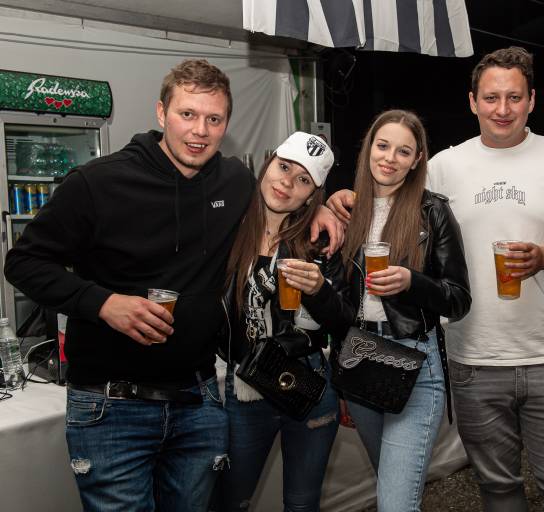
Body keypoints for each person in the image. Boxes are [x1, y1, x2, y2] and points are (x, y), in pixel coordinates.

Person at [3, 59, 342, 511]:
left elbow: (284, 198)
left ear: (226, 125)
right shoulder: (98, 182)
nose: (200, 131)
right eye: (187, 114)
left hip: (198, 402)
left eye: (214, 119)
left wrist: (325, 207)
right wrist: (103, 303)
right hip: (112, 406)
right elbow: (23, 263)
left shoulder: (234, 182)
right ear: (162, 113)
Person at [328, 49, 544, 511]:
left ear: (532, 100)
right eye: (491, 97)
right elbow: (389, 194)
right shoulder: (445, 166)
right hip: (471, 357)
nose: (502, 108)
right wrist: (339, 198)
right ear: (473, 102)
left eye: (514, 97)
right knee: (497, 488)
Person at [309, 109, 471, 511]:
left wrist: (412, 283)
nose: (390, 158)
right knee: (394, 489)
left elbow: (458, 298)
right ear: (369, 149)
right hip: (360, 356)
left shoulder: (432, 211)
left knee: (395, 503)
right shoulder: (349, 212)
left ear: (417, 160)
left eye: (403, 151)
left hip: (415, 363)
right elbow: (340, 307)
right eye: (383, 146)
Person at [215, 131, 341, 511]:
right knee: (230, 501)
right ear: (268, 162)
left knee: (302, 504)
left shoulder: (321, 240)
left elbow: (344, 322)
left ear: (312, 195)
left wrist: (319, 291)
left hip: (309, 380)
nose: (287, 183)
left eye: (303, 180)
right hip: (246, 385)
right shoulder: (228, 224)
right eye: (284, 167)